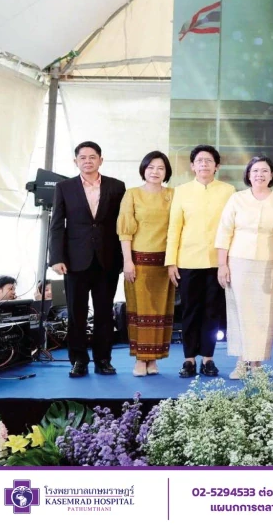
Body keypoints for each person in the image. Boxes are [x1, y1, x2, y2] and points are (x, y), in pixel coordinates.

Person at [48, 141, 126, 378]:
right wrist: (56, 258)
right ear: (76, 161)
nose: (88, 161)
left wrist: (125, 258)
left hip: (107, 259)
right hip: (74, 260)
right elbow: (57, 225)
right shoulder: (64, 187)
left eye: (93, 157)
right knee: (76, 314)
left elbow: (123, 225)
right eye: (83, 157)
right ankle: (78, 360)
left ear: (101, 160)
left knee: (104, 313)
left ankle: (103, 359)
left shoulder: (117, 186)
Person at [165, 145, 235, 378]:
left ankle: (208, 358)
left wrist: (229, 260)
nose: (204, 164)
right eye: (199, 161)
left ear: (217, 166)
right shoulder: (181, 191)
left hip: (217, 260)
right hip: (187, 260)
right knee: (189, 311)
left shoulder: (228, 191)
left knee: (212, 312)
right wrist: (171, 261)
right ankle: (188, 359)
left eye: (209, 161)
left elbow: (231, 228)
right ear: (192, 166)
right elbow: (174, 228)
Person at [215, 156, 273, 379]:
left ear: (272, 175)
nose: (260, 175)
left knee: (264, 314)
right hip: (238, 262)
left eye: (265, 171)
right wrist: (222, 265)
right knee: (240, 313)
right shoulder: (237, 199)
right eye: (255, 171)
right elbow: (224, 232)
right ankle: (240, 363)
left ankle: (257, 364)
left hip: (270, 263)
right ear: (248, 175)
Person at [116, 150, 176, 377]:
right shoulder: (132, 194)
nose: (155, 172)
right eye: (151, 167)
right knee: (140, 312)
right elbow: (125, 231)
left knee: (162, 312)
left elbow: (177, 228)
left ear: (166, 172)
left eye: (160, 168)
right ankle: (141, 359)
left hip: (165, 262)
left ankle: (155, 360)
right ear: (143, 169)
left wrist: (173, 262)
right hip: (138, 261)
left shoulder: (173, 195)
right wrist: (128, 261)